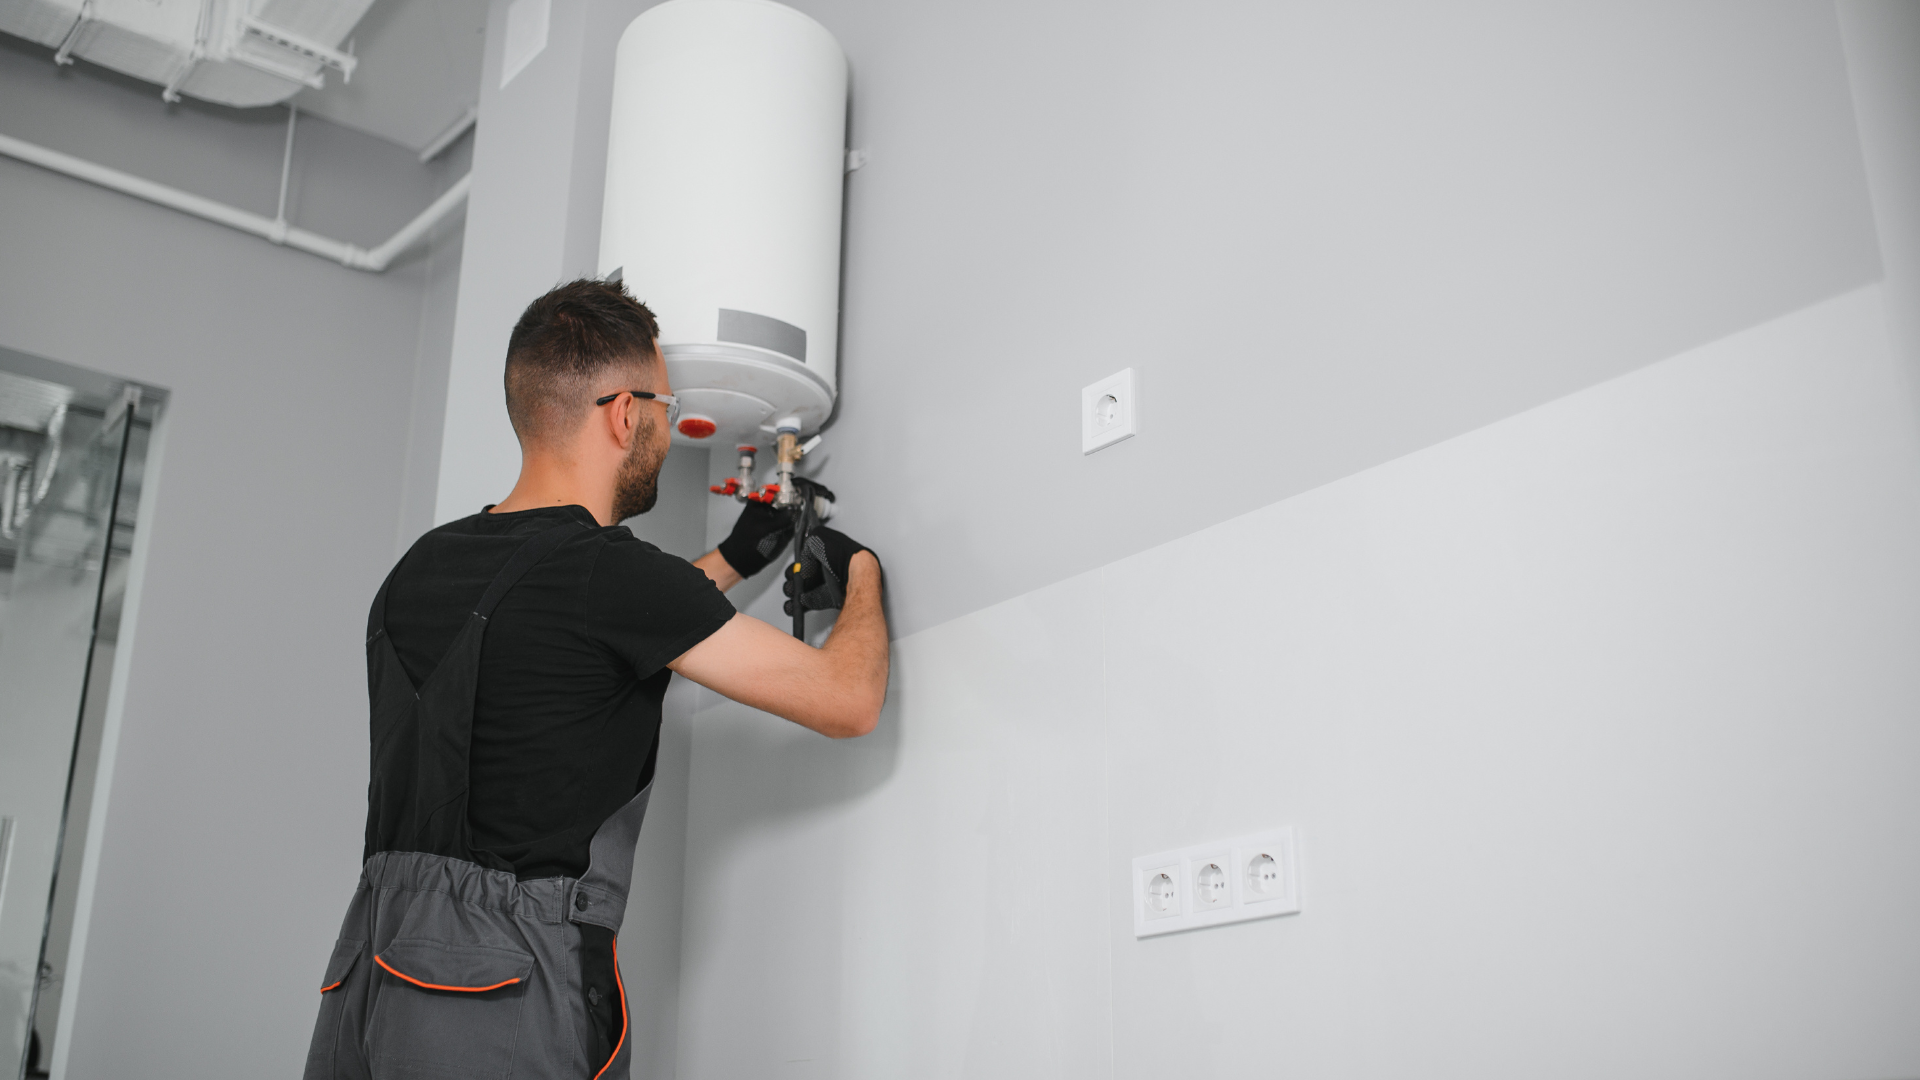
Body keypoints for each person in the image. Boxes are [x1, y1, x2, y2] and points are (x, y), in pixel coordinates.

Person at [303, 279, 887, 1080]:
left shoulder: (419, 568)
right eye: (665, 407)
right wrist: (862, 572)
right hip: (495, 989)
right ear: (623, 413)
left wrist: (738, 556)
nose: (670, 427)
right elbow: (847, 701)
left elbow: (578, 643)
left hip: (367, 975)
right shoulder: (606, 574)